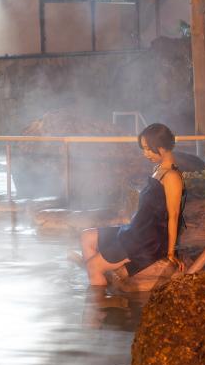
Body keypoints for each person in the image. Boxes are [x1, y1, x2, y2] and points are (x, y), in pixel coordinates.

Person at [78, 123, 186, 287]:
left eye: (148, 149)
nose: (145, 153)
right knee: (86, 236)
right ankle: (104, 282)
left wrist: (171, 253)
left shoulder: (171, 177)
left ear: (162, 147)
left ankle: (101, 304)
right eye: (143, 148)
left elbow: (174, 215)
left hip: (146, 240)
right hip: (136, 230)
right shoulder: (159, 169)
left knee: (92, 266)